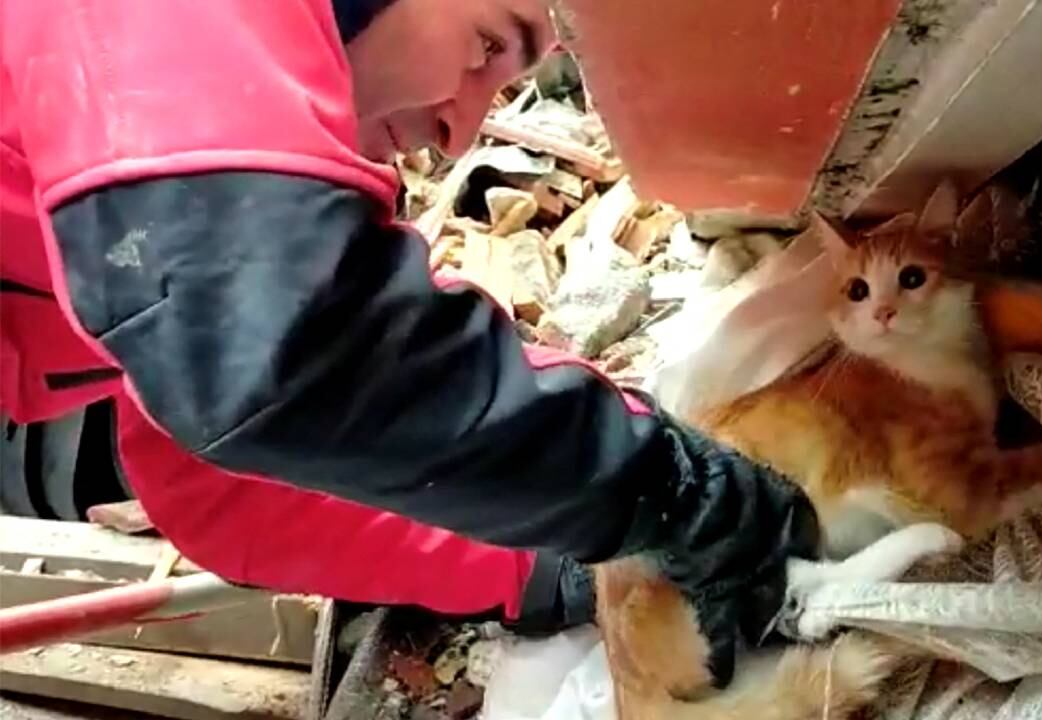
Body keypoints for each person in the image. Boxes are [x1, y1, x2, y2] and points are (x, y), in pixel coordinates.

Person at [0, 0, 819, 687]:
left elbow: (231, 492)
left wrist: (530, 559)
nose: (459, 134)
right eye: (487, 44)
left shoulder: (148, 197)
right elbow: (279, 350)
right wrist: (669, 488)